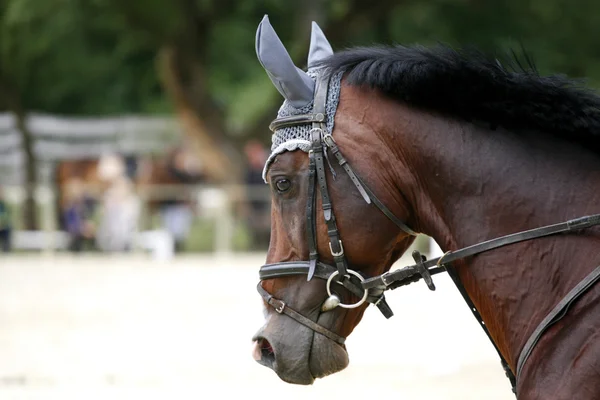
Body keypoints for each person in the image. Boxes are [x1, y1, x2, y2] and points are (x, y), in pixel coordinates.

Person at [243, 140, 270, 250]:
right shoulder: (250, 170)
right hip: (255, 205)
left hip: (266, 204)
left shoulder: (266, 167)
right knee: (254, 228)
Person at [0, 187, 12, 252]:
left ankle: (6, 250)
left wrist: (2, 224)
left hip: (4, 226)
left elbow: (7, 216)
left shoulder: (5, 204)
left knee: (8, 228)